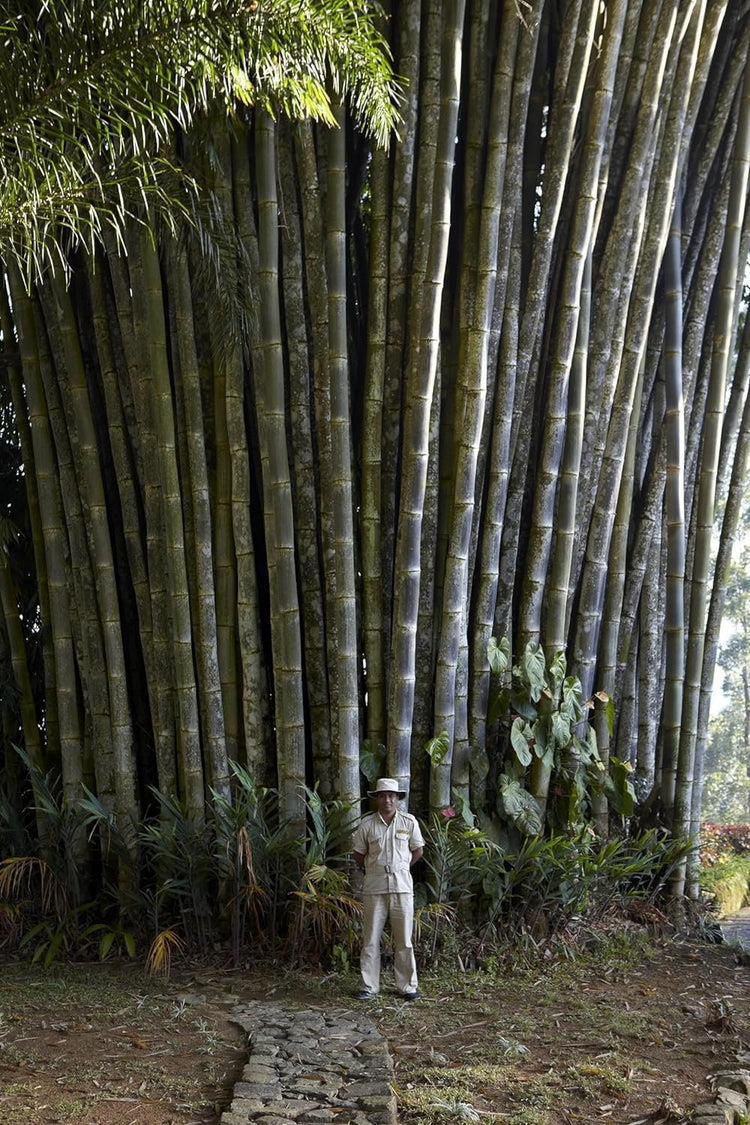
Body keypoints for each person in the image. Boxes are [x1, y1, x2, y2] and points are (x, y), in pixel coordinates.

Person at [351, 777, 424, 1001]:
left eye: (392, 796)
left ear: (398, 798)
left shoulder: (409, 822)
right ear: (377, 798)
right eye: (383, 795)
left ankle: (407, 987)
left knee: (404, 939)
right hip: (374, 887)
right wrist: (376, 869)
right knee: (371, 938)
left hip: (402, 887)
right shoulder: (367, 825)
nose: (388, 800)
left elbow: (417, 850)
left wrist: (401, 868)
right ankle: (369, 986)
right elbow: (358, 855)